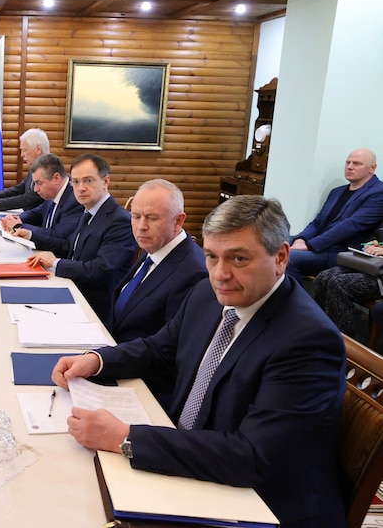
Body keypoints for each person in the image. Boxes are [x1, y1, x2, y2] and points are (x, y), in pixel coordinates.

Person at [51, 196, 346, 528]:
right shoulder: (207, 294)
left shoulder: (307, 341)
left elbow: (251, 456)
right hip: (200, 463)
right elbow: (158, 349)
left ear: (280, 257)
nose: (220, 274)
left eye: (238, 258)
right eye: (211, 256)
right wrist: (96, 360)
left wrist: (125, 436)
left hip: (261, 505)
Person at [111, 179, 207, 406]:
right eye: (136, 216)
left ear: (178, 221)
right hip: (120, 357)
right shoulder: (155, 248)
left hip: (142, 386)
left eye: (152, 218)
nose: (141, 226)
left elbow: (167, 353)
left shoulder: (193, 273)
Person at [27, 154, 137, 325]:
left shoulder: (119, 220)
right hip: (72, 291)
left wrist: (56, 263)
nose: (81, 188)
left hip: (94, 309)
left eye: (88, 181)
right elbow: (68, 246)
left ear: (105, 181)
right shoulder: (89, 212)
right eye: (76, 182)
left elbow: (102, 269)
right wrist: (35, 241)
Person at [287, 148, 383, 281]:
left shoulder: (379, 192)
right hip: (319, 244)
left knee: (287, 257)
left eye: (357, 163)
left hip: (340, 252)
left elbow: (351, 226)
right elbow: (317, 223)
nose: (350, 167)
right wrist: (301, 239)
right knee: (270, 242)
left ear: (372, 168)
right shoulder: (336, 191)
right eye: (348, 162)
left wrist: (309, 246)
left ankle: (298, 301)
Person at [0, 153, 82, 253]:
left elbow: (57, 235)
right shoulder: (52, 192)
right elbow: (39, 212)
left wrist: (20, 226)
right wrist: (19, 218)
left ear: (56, 178)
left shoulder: (75, 200)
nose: (35, 189)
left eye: (39, 183)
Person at [312, 221, 383, 334]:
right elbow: (376, 237)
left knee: (339, 284)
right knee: (323, 278)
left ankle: (342, 343)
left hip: (380, 275)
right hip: (371, 264)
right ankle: (316, 332)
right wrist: (371, 245)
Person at [0, 128, 48, 211]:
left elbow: (29, 199)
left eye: (25, 150)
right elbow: (20, 189)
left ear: (38, 149)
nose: (22, 155)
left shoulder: (48, 170)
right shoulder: (37, 166)